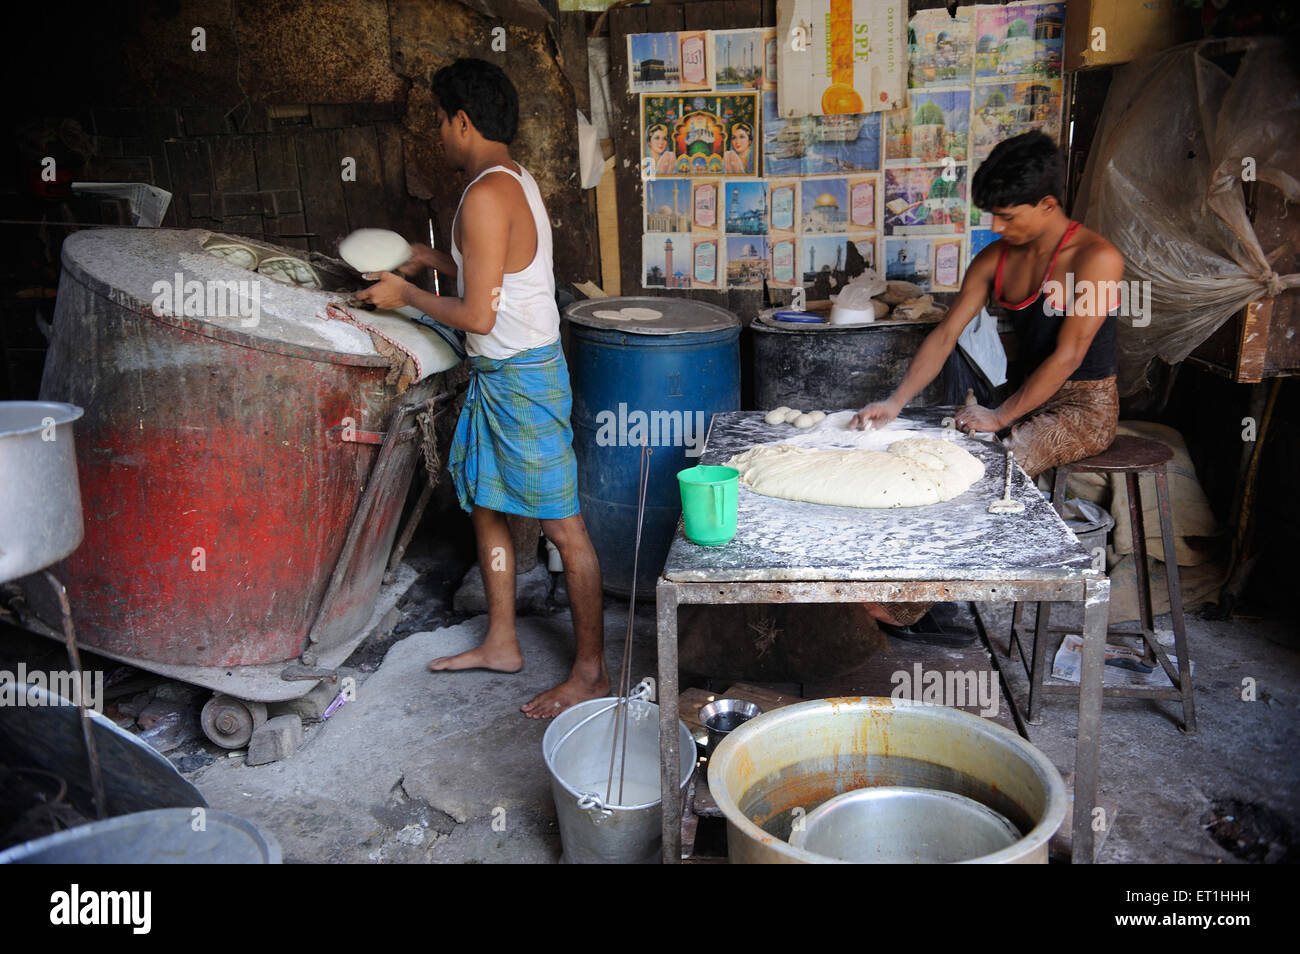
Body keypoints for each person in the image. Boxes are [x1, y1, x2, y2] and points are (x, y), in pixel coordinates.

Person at [358, 58, 609, 717]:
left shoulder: (483, 196)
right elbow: (496, 272)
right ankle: (502, 640)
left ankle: (590, 671)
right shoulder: (509, 180)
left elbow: (477, 315)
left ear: (462, 121)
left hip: (523, 380)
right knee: (489, 508)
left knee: (566, 530)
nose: (438, 132)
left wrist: (406, 293)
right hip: (507, 376)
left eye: (441, 120)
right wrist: (430, 258)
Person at [850, 130, 1123, 642]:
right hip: (1019, 397)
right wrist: (895, 401)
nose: (996, 227)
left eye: (1008, 216)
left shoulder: (1096, 260)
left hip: (1084, 406)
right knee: (924, 453)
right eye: (991, 215)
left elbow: (1069, 356)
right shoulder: (997, 259)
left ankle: (913, 608)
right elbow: (946, 333)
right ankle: (904, 583)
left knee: (981, 471)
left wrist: (1000, 418)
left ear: (1047, 204)